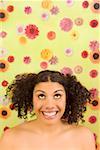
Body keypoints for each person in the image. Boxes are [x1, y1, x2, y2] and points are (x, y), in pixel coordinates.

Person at [0, 70, 96, 150]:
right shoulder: (10, 138)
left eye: (57, 95)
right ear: (31, 99)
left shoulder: (84, 136)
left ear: (68, 99)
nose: (49, 105)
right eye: (41, 96)